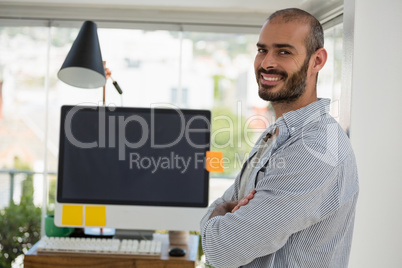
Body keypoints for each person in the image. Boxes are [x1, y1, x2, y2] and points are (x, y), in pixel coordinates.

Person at [200, 8, 359, 268]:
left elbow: (222, 250)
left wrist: (218, 215)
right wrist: (221, 215)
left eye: (284, 51)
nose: (266, 63)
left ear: (317, 61)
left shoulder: (315, 149)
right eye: (262, 50)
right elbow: (224, 207)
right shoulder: (276, 135)